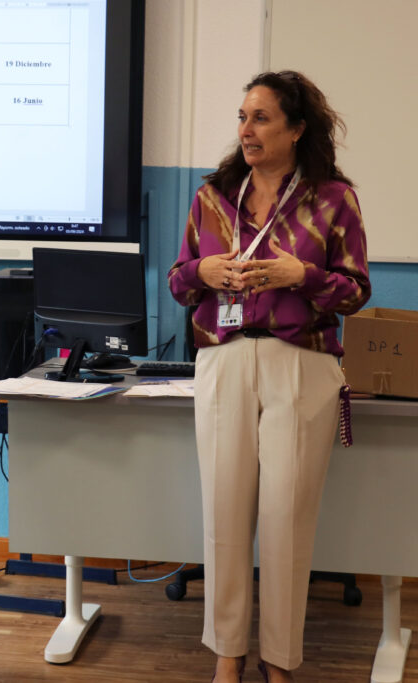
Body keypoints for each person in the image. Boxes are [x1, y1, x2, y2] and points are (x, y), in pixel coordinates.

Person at [169, 71, 370, 683]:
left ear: (296, 128)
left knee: (286, 518)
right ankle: (227, 655)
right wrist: (204, 268)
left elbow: (357, 292)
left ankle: (278, 661)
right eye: (241, 117)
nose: (246, 130)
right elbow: (179, 283)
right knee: (224, 514)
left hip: (301, 365)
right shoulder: (212, 196)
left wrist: (299, 276)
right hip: (224, 358)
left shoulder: (334, 198)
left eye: (260, 118)